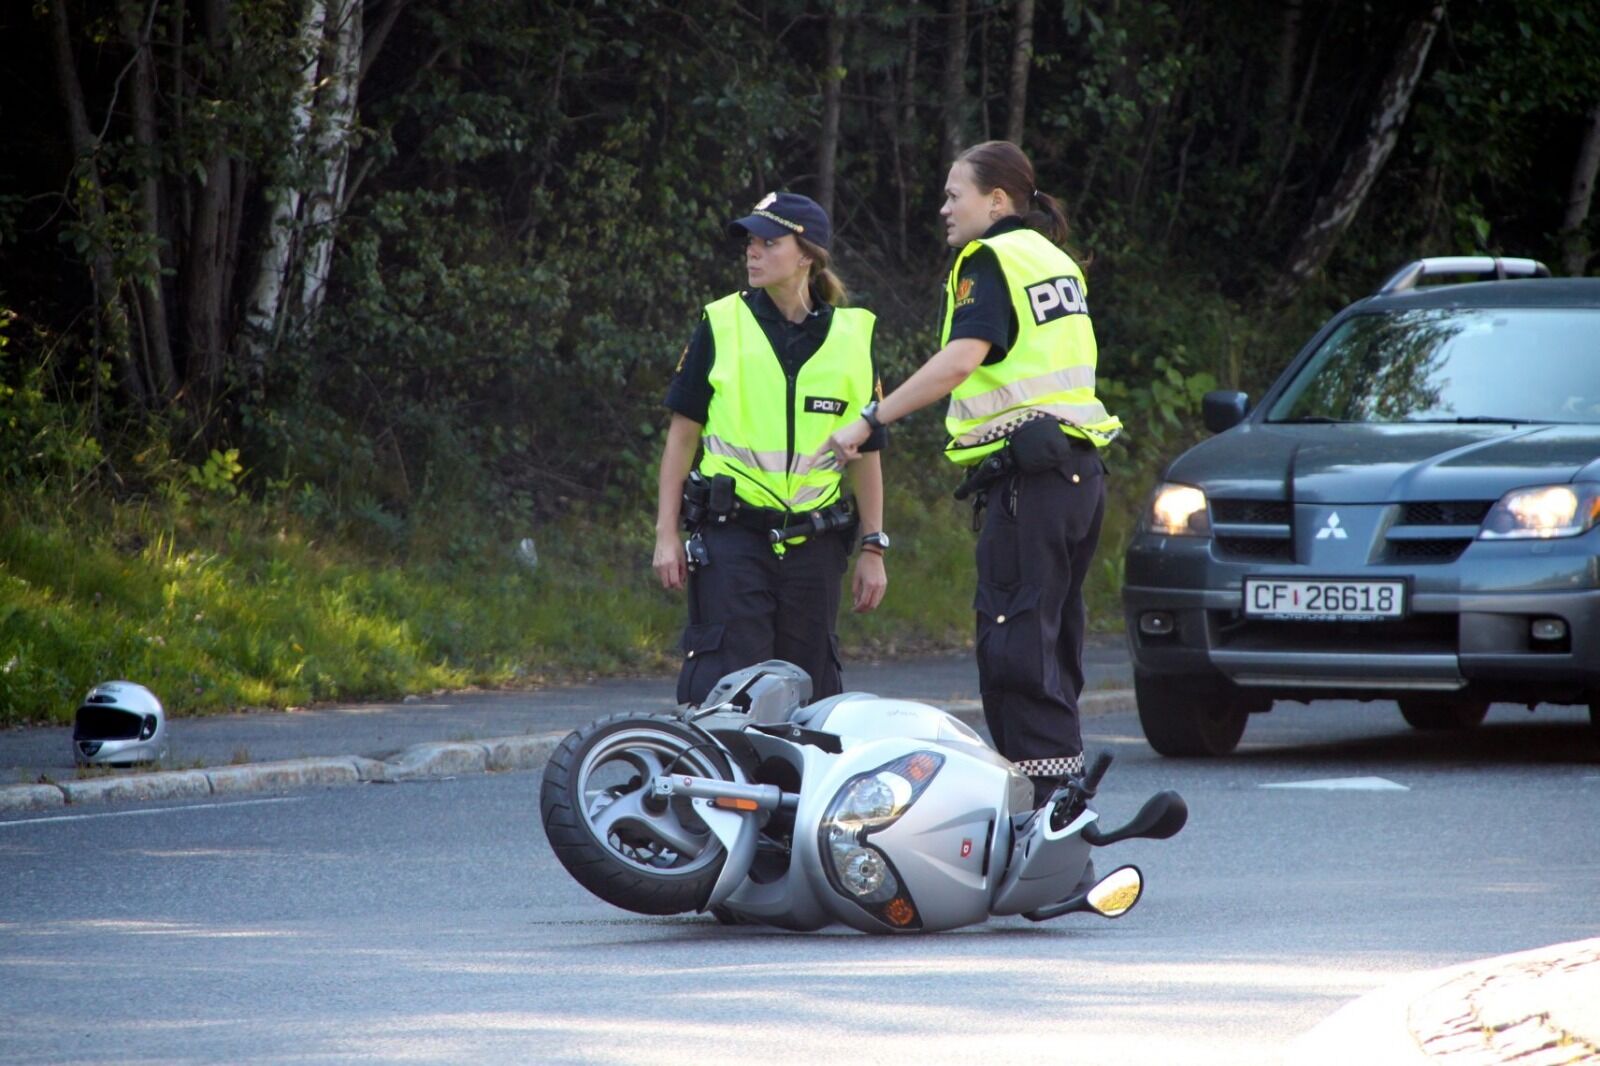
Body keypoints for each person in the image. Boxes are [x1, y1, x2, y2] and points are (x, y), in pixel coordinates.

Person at [817, 142, 1121, 805]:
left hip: (1031, 480)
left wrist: (871, 419)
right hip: (1078, 475)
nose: (945, 208)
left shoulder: (988, 259)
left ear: (998, 201)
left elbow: (961, 360)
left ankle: (1038, 817)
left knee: (1016, 647)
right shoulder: (1055, 260)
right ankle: (1062, 808)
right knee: (1053, 645)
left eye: (956, 195)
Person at [654, 192, 889, 707]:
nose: (752, 251)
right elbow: (682, 436)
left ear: (806, 255)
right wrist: (666, 533)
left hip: (815, 545)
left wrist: (874, 548)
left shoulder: (852, 337)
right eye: (750, 242)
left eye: (768, 242)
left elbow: (868, 453)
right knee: (732, 695)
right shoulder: (722, 323)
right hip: (732, 538)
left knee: (811, 698)